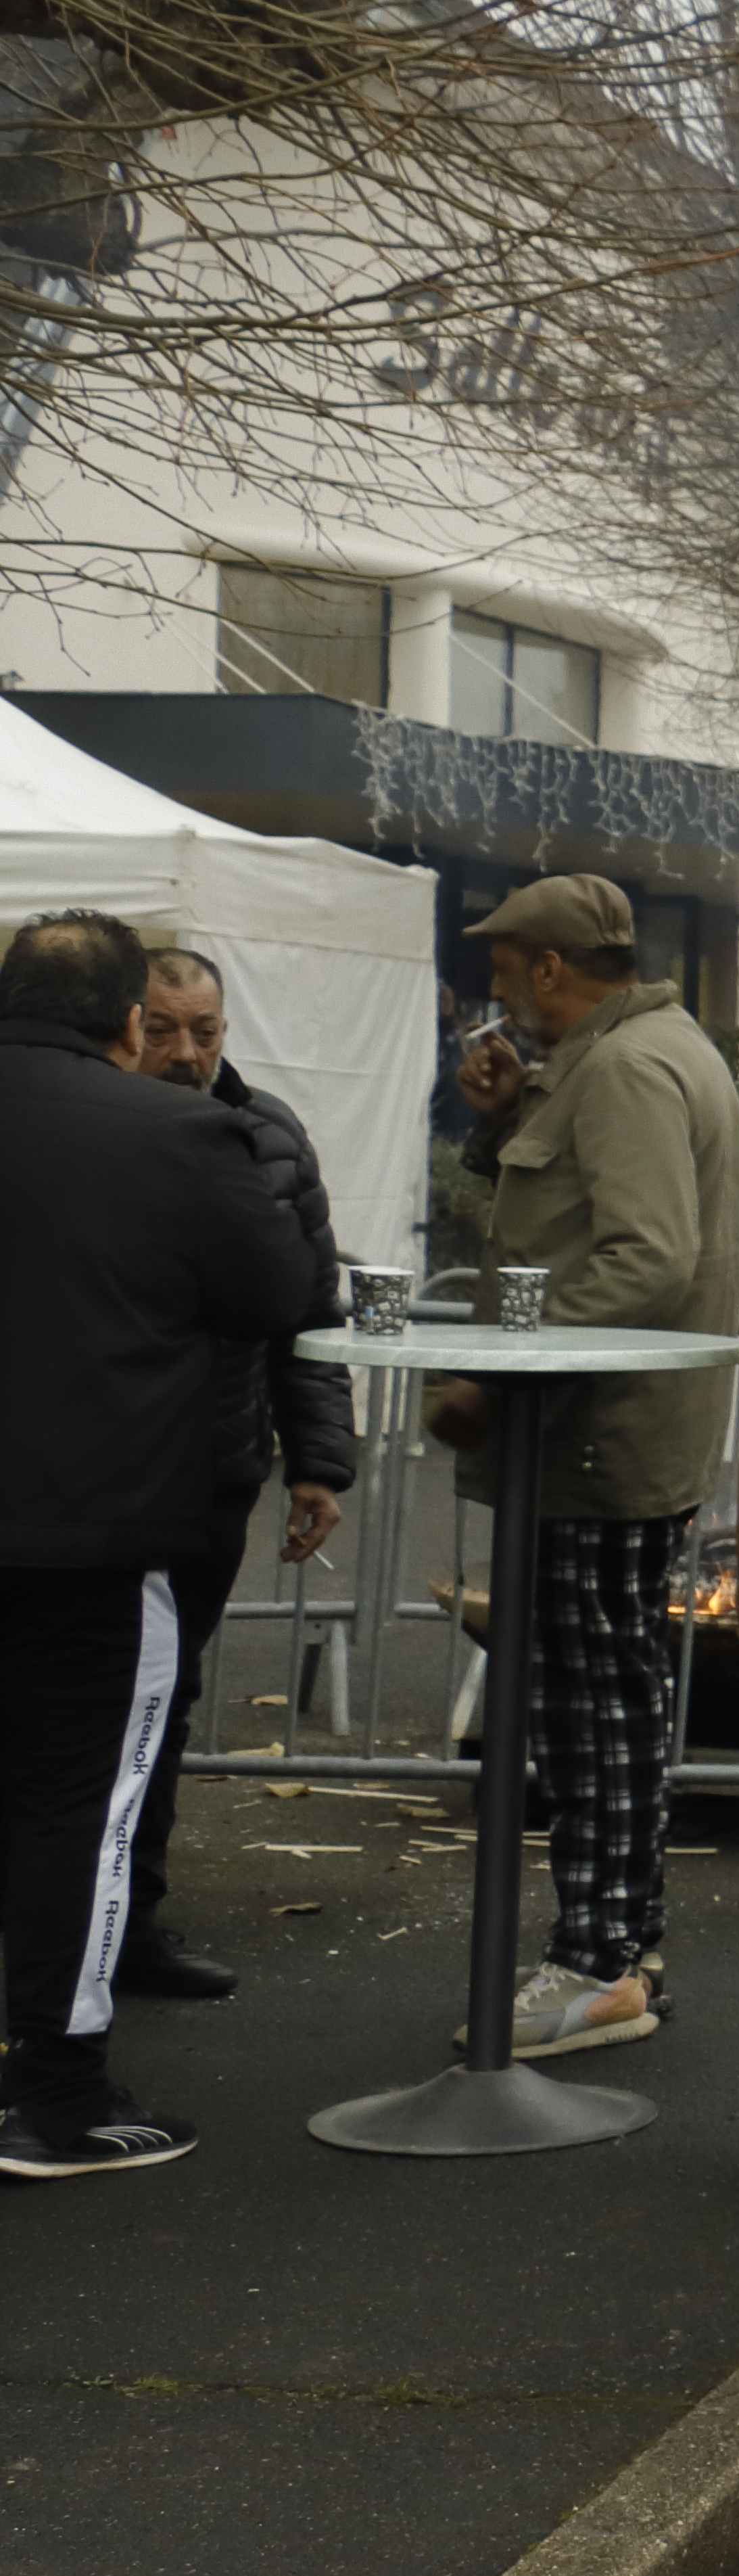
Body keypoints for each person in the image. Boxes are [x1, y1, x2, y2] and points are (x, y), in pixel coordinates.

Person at [0, 911, 331, 2177]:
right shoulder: (184, 1133)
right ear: (129, 1021)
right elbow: (277, 1293)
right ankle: (61, 2092)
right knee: (78, 1807)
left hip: (83, 1516)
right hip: (101, 1527)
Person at [445, 872, 739, 2056]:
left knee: (594, 1704)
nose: (497, 984)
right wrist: (505, 1113)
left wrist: (497, 1375)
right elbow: (581, 1212)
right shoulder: (643, 1049)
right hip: (617, 1426)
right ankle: (621, 1945)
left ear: (554, 969)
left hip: (593, 1431)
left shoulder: (624, 1067)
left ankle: (601, 1958)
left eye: (507, 964)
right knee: (611, 1692)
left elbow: (643, 1256)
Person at [120, 948, 352, 2004]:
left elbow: (310, 1310)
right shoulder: (84, 1125)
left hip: (209, 1468)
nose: (185, 1052)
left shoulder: (269, 1132)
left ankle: (133, 1916)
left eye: (204, 1030)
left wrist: (319, 1461)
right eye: (164, 1028)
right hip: (85, 1466)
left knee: (164, 1702)